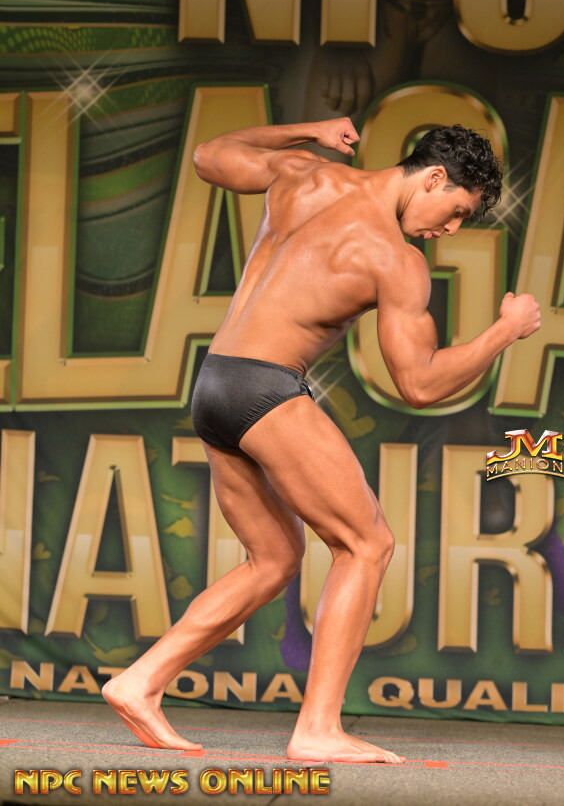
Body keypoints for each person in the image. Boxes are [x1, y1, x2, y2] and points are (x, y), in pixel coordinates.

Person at [102, 118, 541, 763]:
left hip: (215, 384)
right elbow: (419, 385)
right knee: (367, 544)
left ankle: (140, 681)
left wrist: (308, 132)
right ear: (433, 178)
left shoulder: (302, 172)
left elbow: (209, 155)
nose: (450, 230)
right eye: (456, 212)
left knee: (274, 558)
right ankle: (318, 728)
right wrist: (505, 330)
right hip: (266, 388)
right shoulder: (395, 260)